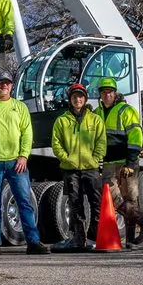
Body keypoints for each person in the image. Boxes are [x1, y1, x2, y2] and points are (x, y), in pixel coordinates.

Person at [0, 70, 50, 256]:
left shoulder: (20, 107)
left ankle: (33, 242)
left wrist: (24, 156)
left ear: (12, 86)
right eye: (1, 82)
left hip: (17, 163)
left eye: (7, 83)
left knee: (24, 202)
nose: (4, 85)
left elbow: (27, 132)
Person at [94, 77, 143, 247]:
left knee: (131, 199)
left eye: (110, 91)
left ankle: (131, 241)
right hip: (108, 163)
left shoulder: (126, 110)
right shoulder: (97, 113)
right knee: (113, 197)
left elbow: (136, 137)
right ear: (100, 95)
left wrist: (130, 163)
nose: (107, 95)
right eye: (103, 92)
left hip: (126, 162)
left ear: (115, 93)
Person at [51, 82, 106, 249]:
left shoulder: (95, 120)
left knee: (96, 204)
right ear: (70, 99)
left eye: (81, 96)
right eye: (74, 97)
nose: (78, 99)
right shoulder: (61, 121)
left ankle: (98, 238)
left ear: (85, 98)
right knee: (75, 205)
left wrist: (95, 159)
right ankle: (78, 240)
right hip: (70, 169)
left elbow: (101, 142)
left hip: (91, 169)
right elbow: (56, 143)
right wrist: (66, 159)